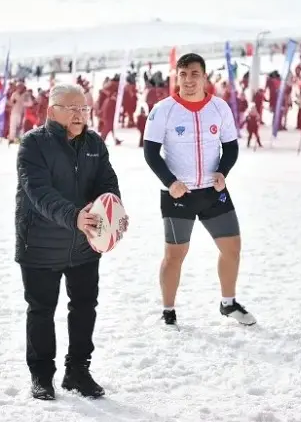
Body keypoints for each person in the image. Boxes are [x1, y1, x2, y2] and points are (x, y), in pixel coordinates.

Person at [15, 83, 126, 401]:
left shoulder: (94, 143)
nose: (80, 115)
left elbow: (107, 182)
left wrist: (114, 213)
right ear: (53, 111)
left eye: (84, 109)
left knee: (84, 307)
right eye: (72, 108)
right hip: (39, 246)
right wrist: (75, 216)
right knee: (41, 310)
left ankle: (77, 370)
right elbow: (39, 194)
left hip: (84, 245)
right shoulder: (33, 145)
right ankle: (41, 376)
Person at [143, 53, 256, 327]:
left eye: (194, 74)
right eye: (182, 74)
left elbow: (230, 146)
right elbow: (150, 152)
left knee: (232, 248)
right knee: (174, 256)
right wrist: (171, 182)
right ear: (176, 77)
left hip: (213, 193)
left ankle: (228, 304)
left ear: (204, 76)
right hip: (178, 194)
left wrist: (222, 173)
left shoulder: (219, 108)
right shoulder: (163, 109)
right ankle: (168, 311)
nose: (188, 80)